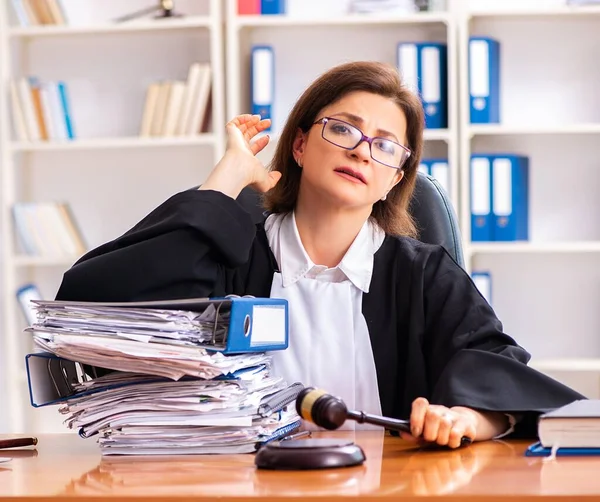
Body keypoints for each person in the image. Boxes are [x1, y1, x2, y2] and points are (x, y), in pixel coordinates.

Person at [55, 61, 583, 449]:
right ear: (302, 145)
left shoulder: (421, 275)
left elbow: (504, 380)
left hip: (391, 489)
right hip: (232, 486)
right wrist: (227, 182)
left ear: (394, 180)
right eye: (343, 128)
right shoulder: (229, 253)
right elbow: (96, 307)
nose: (360, 150)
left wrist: (469, 419)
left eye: (385, 145)